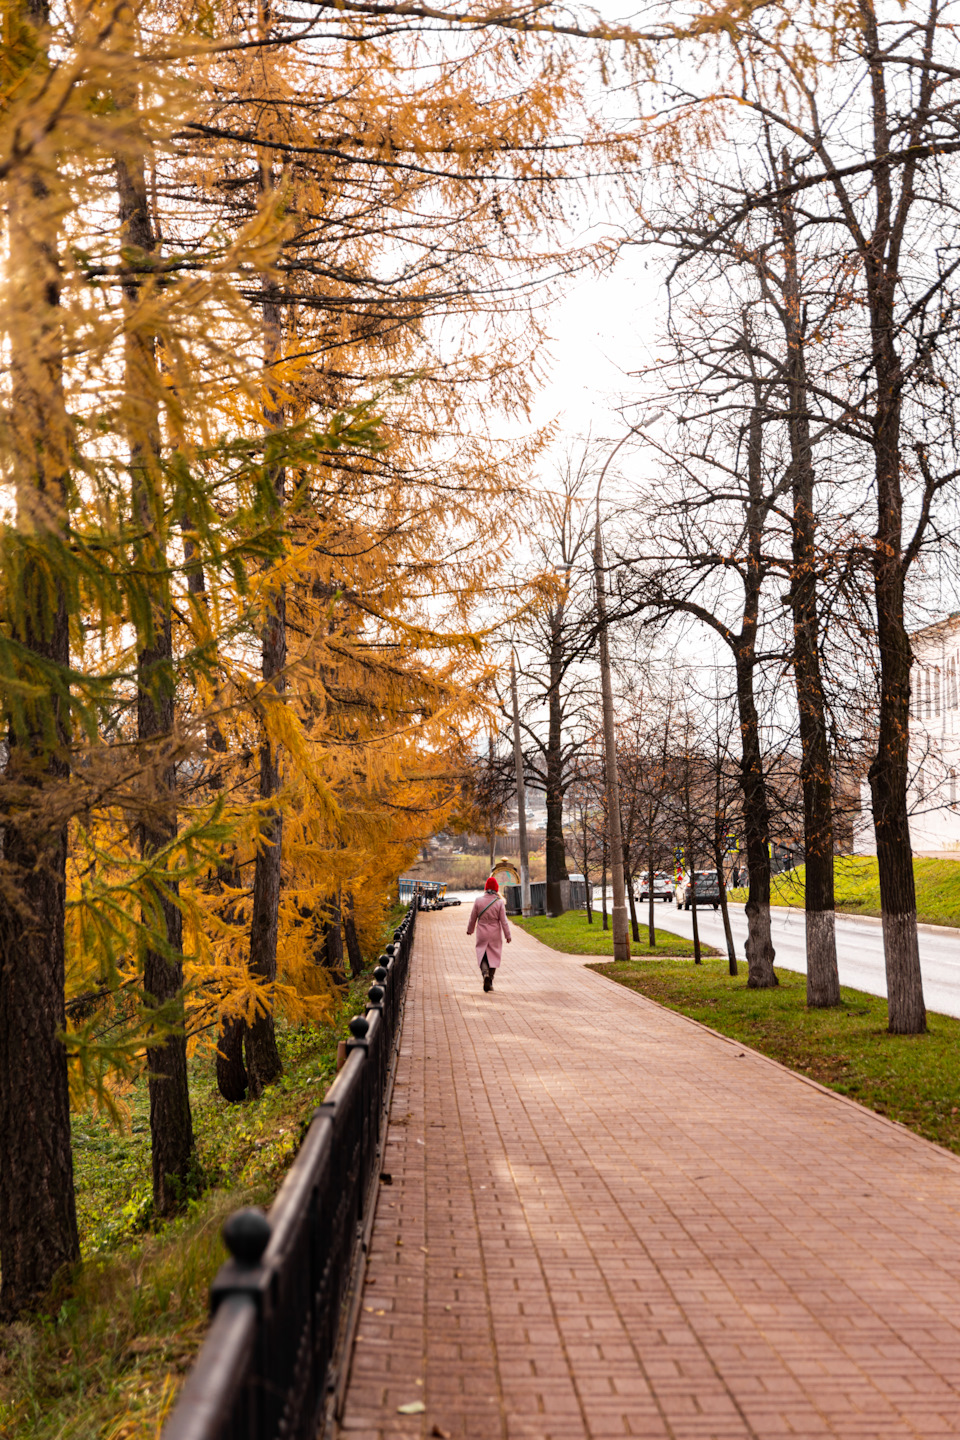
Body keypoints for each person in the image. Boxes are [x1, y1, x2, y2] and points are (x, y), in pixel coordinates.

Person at [466, 876, 512, 992]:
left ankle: (485, 974)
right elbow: (504, 921)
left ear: (486, 888)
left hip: (482, 931)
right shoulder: (499, 902)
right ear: (496, 888)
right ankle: (490, 980)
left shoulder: (478, 900)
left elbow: (473, 918)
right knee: (494, 956)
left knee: (482, 954)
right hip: (495, 933)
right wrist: (508, 935)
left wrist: (470, 929)